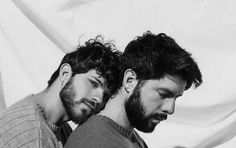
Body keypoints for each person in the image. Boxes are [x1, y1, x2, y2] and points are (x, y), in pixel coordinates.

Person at [65, 31, 202, 148]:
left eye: (176, 98)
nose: (170, 109)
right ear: (130, 81)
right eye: (163, 94)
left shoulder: (128, 137)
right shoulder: (93, 142)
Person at [0, 36, 122, 148]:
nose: (99, 99)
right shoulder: (32, 137)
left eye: (105, 95)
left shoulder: (60, 129)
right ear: (65, 74)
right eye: (94, 83)